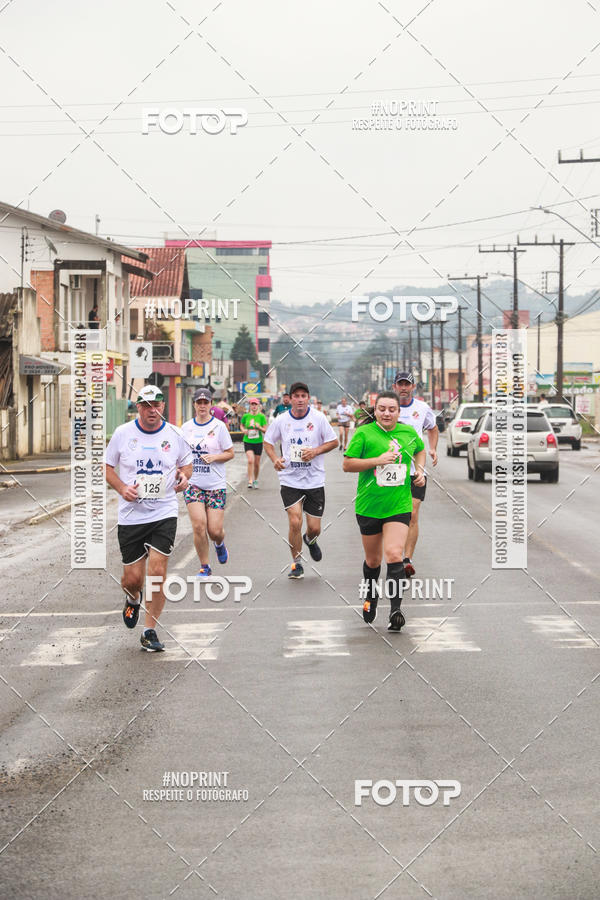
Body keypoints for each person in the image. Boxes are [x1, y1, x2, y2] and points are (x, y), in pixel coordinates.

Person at [105, 384, 193, 652]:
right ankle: (133, 599)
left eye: (156, 405)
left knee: (157, 571)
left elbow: (186, 464)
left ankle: (150, 630)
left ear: (163, 407)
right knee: (133, 579)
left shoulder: (175, 434)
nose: (151, 410)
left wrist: (184, 478)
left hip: (163, 511)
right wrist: (122, 488)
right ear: (138, 407)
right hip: (131, 516)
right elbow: (108, 468)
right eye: (145, 405)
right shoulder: (123, 433)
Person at [343, 391, 426, 631]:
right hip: (369, 506)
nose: (387, 413)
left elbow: (420, 449)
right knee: (373, 560)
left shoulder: (408, 433)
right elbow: (347, 464)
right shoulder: (364, 434)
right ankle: (371, 596)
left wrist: (419, 471)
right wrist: (377, 460)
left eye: (392, 409)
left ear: (399, 413)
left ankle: (396, 610)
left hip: (398, 505)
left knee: (393, 555)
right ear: (375, 410)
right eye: (382, 409)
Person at [264, 381, 338, 579]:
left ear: (308, 399)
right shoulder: (281, 420)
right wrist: (275, 460)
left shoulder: (319, 418)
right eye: (296, 396)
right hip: (290, 479)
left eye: (303, 396)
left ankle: (310, 540)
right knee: (295, 521)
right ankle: (296, 563)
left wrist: (315, 451)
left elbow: (333, 442)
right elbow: (268, 442)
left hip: (314, 480)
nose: (299, 399)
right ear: (290, 399)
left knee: (314, 528)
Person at [181, 387, 234, 577]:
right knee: (198, 526)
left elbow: (230, 453)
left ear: (211, 404)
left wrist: (215, 457)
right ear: (194, 405)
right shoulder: (186, 428)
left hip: (215, 485)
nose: (202, 406)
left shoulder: (219, 427)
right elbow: (180, 455)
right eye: (199, 402)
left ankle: (219, 543)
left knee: (214, 530)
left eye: (206, 402)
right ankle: (205, 566)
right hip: (193, 483)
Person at [392, 371, 438, 578]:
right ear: (394, 387)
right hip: (391, 470)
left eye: (407, 384)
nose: (403, 388)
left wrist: (433, 448)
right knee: (393, 516)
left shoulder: (422, 408)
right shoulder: (387, 408)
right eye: (400, 384)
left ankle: (406, 559)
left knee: (413, 513)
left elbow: (433, 428)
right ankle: (394, 554)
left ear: (412, 387)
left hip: (415, 470)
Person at [240, 398, 268, 488]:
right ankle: (250, 480)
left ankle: (255, 479)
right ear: (250, 406)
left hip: (258, 441)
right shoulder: (246, 416)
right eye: (252, 404)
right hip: (248, 440)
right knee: (250, 460)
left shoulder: (262, 417)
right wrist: (244, 430)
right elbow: (241, 425)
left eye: (255, 404)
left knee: (256, 463)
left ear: (258, 406)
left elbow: (265, 430)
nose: (254, 406)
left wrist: (259, 427)